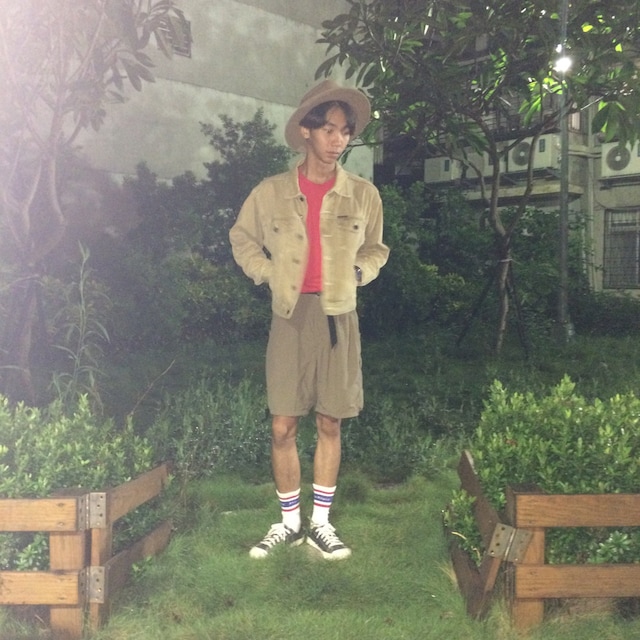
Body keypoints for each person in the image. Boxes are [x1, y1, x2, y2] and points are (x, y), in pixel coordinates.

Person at [229, 80, 389, 560]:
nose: (339, 140)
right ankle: (288, 523)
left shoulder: (363, 194)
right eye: (329, 130)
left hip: (339, 315)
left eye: (346, 132)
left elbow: (376, 248)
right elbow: (242, 238)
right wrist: (268, 273)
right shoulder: (271, 192)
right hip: (291, 315)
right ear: (306, 131)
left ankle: (320, 523)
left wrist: (360, 272)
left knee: (330, 421)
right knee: (283, 424)